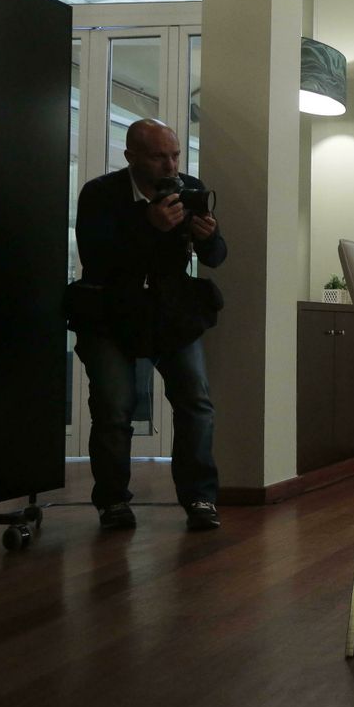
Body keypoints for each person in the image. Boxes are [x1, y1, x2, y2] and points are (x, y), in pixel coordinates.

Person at [71, 118, 226, 532]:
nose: (171, 165)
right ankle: (113, 502)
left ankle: (199, 499)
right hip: (110, 314)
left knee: (196, 403)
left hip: (171, 314)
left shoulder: (187, 188)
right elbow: (96, 259)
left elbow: (217, 256)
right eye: (160, 156)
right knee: (113, 407)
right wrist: (149, 225)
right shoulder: (100, 194)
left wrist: (208, 236)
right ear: (131, 157)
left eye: (175, 154)